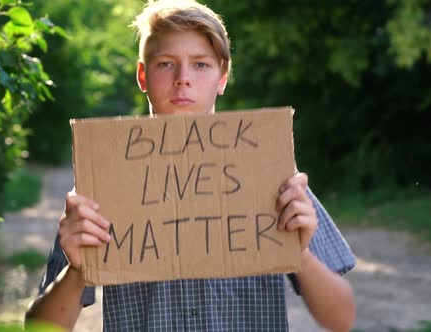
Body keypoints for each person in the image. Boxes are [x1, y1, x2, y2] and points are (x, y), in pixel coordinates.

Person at [25, 0, 356, 331]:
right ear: (142, 75)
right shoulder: (100, 186)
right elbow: (39, 327)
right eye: (166, 64)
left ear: (222, 77)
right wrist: (78, 270)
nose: (183, 79)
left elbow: (342, 319)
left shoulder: (271, 175)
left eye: (200, 65)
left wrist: (298, 255)